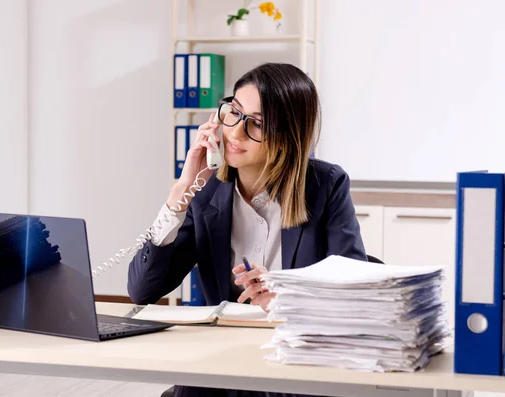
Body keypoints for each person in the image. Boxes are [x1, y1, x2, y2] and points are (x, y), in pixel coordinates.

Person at [127, 62, 367, 397]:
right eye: (234, 113)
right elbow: (143, 290)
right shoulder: (205, 191)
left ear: (290, 134)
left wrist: (284, 297)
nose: (236, 133)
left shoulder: (325, 185)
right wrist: (180, 193)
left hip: (299, 357)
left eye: (257, 124)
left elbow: (354, 290)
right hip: (225, 363)